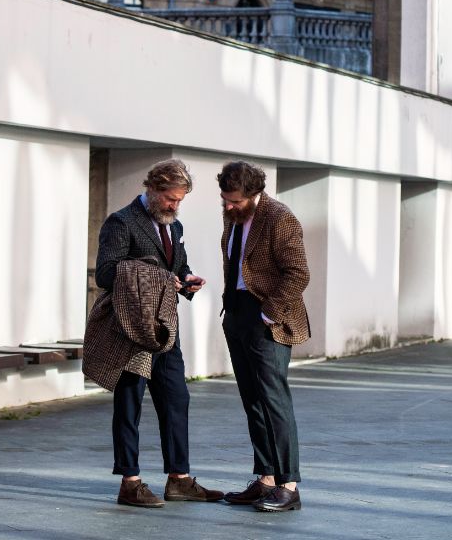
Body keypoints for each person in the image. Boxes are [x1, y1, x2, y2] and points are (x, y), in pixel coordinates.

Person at [94, 158, 224, 509]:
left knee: (176, 398)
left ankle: (179, 478)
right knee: (129, 402)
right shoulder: (121, 223)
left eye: (180, 200)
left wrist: (188, 281)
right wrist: (162, 279)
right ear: (151, 189)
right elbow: (105, 273)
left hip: (165, 329)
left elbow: (176, 268)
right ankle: (130, 481)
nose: (174, 206)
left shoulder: (174, 227)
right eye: (170, 198)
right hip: (131, 331)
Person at [218, 160, 310, 513]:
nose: (228, 207)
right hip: (238, 314)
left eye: (235, 201)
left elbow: (298, 273)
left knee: (274, 400)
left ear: (255, 194)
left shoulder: (280, 219)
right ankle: (266, 479)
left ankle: (289, 484)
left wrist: (268, 312)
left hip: (268, 319)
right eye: (224, 200)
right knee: (252, 400)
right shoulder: (234, 216)